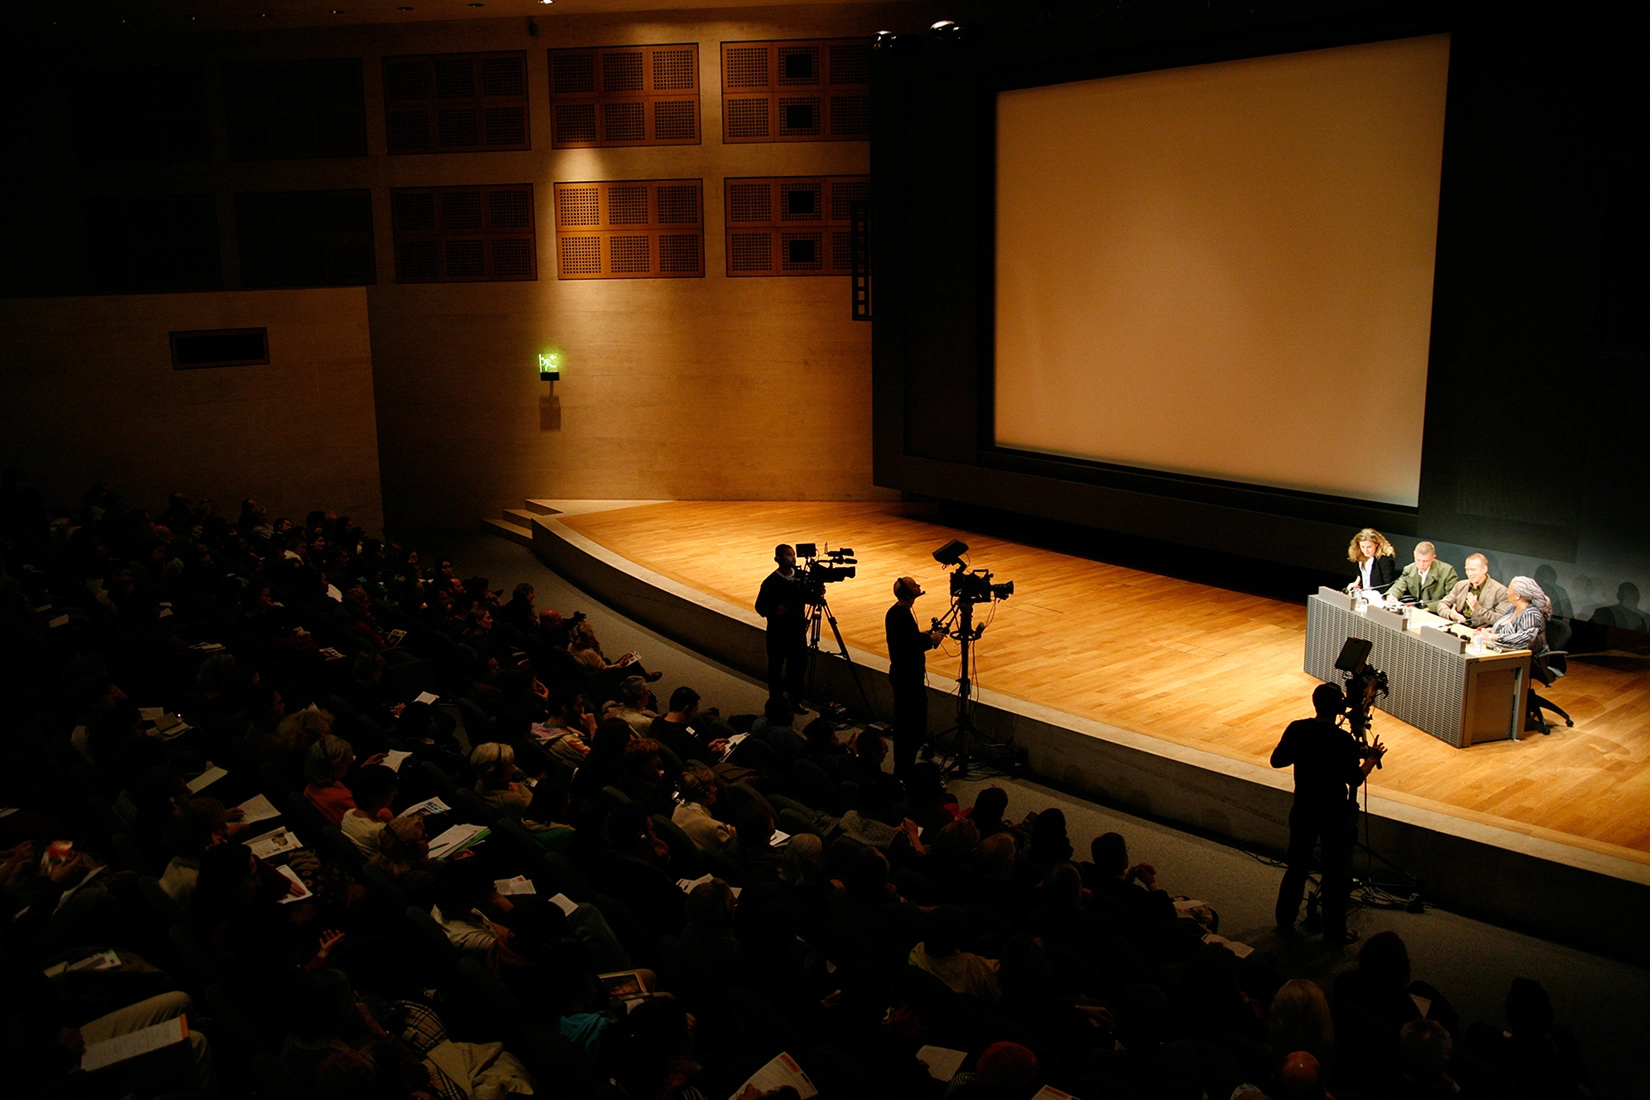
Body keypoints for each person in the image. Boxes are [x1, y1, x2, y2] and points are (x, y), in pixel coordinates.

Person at [1271, 682, 1385, 945]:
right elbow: (1355, 779)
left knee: (1296, 868)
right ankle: (1334, 933)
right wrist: (1371, 759)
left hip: (1303, 809)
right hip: (1334, 815)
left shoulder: (1298, 728)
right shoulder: (1343, 740)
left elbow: (1277, 761)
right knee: (1335, 875)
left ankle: (1284, 922)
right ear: (1339, 708)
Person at [884, 575, 945, 775]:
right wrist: (930, 640)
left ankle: (906, 764)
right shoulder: (899, 615)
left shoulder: (898, 613)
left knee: (911, 726)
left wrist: (927, 635)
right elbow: (907, 646)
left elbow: (908, 638)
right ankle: (904, 771)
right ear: (908, 593)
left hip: (907, 677)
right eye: (915, 585)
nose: (919, 586)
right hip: (907, 679)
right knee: (909, 727)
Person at [754, 543, 811, 712]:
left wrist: (817, 593)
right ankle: (776, 705)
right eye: (788, 555)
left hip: (797, 631)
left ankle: (795, 701)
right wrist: (774, 611)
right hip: (777, 633)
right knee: (776, 669)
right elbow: (759, 606)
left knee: (798, 667)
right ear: (777, 559)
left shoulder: (801, 576)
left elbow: (807, 597)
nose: (792, 558)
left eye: (793, 554)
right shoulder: (770, 582)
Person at [1437, 553, 1512, 628]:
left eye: (1473, 570)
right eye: (1467, 569)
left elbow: (1501, 620)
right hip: (1457, 626)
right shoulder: (1460, 585)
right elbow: (1442, 604)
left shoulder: (1500, 591)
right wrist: (1451, 614)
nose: (1469, 573)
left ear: (1484, 569)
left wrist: (1478, 609)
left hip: (1480, 631)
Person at [1386, 541, 1458, 611]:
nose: (1421, 564)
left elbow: (1452, 598)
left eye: (1425, 561)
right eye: (1418, 560)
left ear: (1434, 558)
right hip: (1416, 609)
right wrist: (1392, 595)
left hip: (1437, 612)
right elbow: (1400, 584)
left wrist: (1431, 608)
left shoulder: (1447, 571)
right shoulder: (1409, 569)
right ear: (1414, 555)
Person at [1489, 575, 1550, 654]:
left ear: (1518, 596)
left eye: (1509, 589)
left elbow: (1526, 639)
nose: (1507, 592)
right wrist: (1492, 630)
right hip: (1503, 651)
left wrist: (1493, 637)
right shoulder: (1513, 607)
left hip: (1526, 659)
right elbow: (1510, 628)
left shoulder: (1532, 614)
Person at [1346, 528, 1399, 594]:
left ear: (1376, 544)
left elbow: (1388, 584)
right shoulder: (1359, 555)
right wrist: (1356, 583)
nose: (1365, 550)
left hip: (1378, 597)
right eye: (1362, 547)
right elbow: (1361, 574)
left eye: (1369, 547)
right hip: (1363, 594)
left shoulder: (1384, 560)